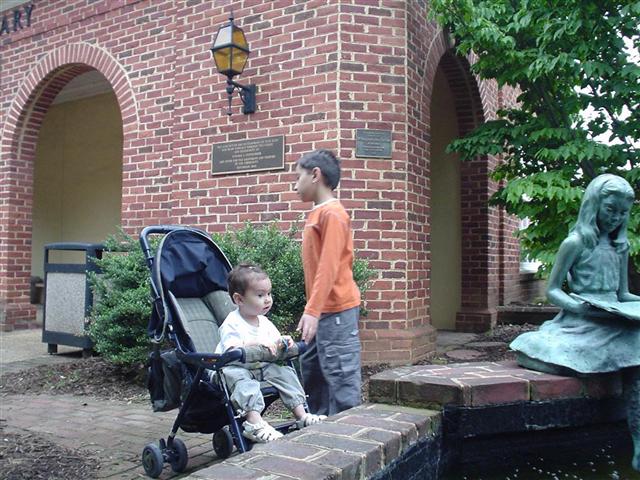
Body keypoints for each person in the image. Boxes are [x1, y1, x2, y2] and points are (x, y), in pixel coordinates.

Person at [510, 174, 640, 471]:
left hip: (613, 317)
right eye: (610, 210)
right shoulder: (575, 243)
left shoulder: (620, 247)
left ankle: (638, 441)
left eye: (622, 213)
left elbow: (622, 294)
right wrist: (579, 307)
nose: (615, 218)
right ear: (594, 205)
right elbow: (554, 290)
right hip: (581, 318)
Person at [215, 263, 325, 443]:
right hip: (234, 368)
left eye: (269, 294)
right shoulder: (232, 323)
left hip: (261, 367)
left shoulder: (264, 322)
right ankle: (254, 423)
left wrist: (285, 341)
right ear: (239, 299)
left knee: (285, 372)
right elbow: (231, 350)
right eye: (260, 295)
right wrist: (257, 343)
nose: (267, 300)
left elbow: (275, 342)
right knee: (243, 382)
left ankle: (301, 415)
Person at [294, 149, 362, 416]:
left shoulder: (332, 214)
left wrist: (312, 311)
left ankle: (347, 434)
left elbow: (329, 266)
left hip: (336, 312)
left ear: (315, 175)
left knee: (341, 379)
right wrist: (313, 310)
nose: (295, 186)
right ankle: (317, 429)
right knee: (313, 374)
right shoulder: (318, 213)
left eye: (298, 177)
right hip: (321, 311)